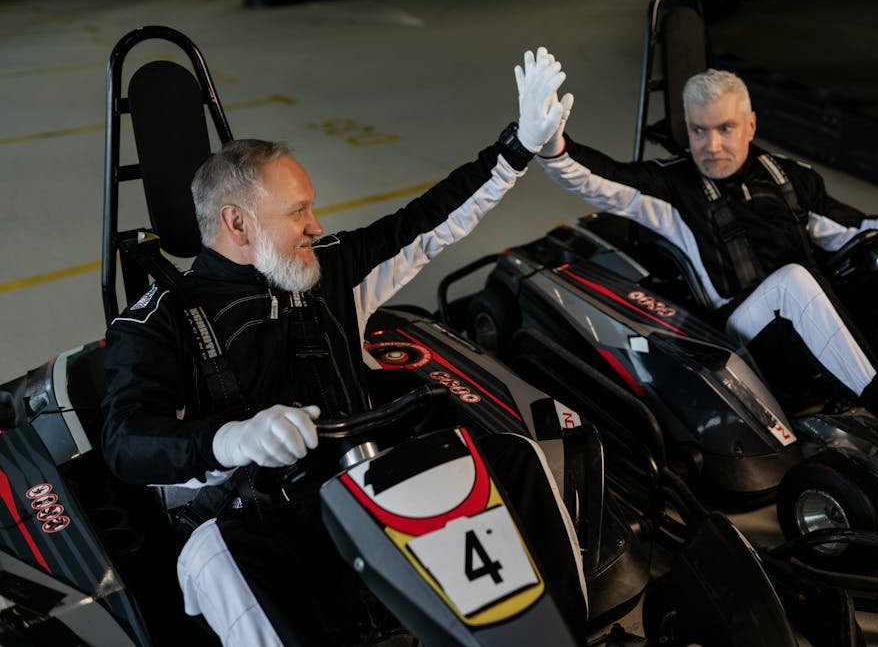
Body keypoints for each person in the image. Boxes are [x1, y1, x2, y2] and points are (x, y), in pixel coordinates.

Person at [100, 47, 587, 645]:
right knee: (214, 552)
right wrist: (234, 438)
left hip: (373, 482)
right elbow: (126, 441)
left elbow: (429, 221)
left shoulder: (327, 269)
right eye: (299, 212)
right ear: (239, 225)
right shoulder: (156, 322)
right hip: (271, 520)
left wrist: (520, 147)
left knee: (516, 456)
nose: (317, 226)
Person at [532, 66, 878, 425]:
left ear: (750, 125)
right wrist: (553, 146)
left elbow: (850, 227)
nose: (712, 146)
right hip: (742, 337)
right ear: (687, 128)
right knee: (794, 282)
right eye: (699, 131)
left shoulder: (788, 175)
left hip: (811, 314)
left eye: (725, 129)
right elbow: (600, 181)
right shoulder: (672, 187)